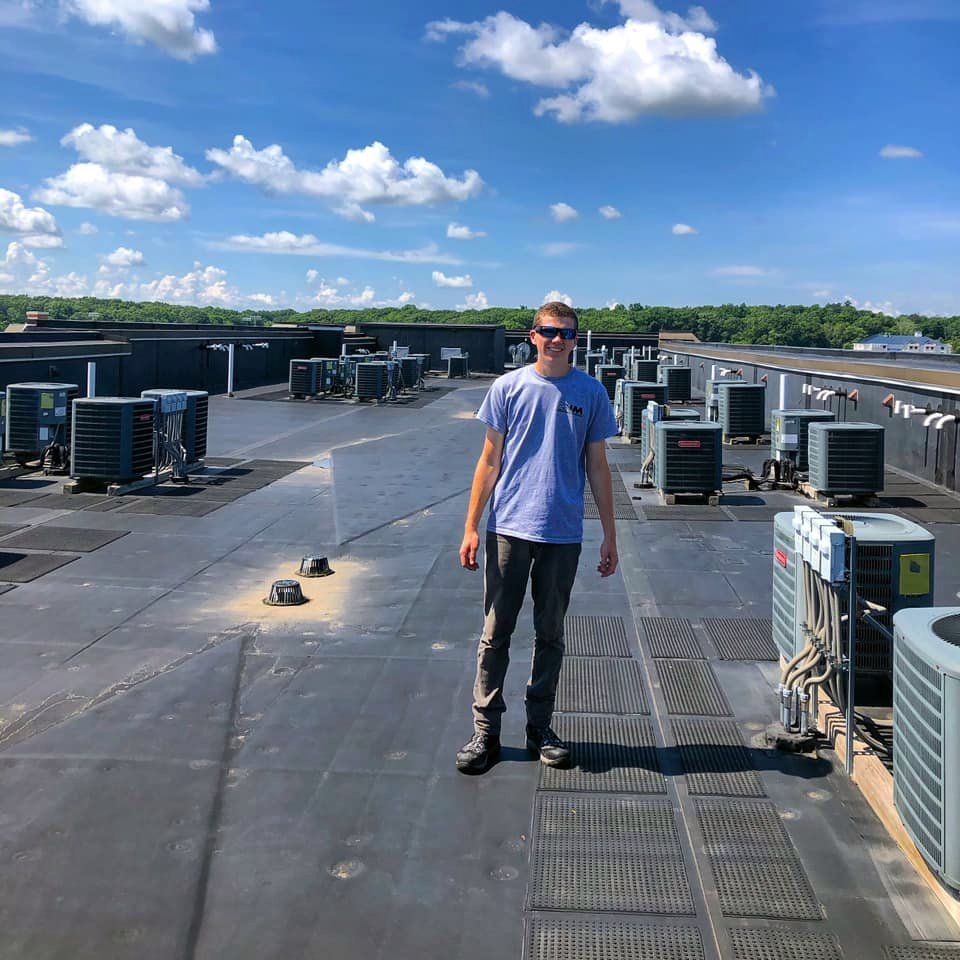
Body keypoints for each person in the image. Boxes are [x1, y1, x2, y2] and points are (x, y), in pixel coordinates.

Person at [456, 301, 620, 773]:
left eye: (566, 333)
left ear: (575, 340)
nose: (557, 339)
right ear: (533, 336)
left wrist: (610, 536)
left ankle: (539, 728)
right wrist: (470, 526)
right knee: (496, 634)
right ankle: (486, 732)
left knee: (550, 634)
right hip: (509, 527)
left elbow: (598, 466)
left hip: (562, 533)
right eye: (549, 331)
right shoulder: (508, 388)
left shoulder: (590, 392)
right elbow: (489, 461)